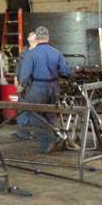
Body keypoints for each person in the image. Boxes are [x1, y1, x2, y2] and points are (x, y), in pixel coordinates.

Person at [18, 25, 71, 153]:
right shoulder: (56, 52)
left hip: (38, 87)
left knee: (34, 114)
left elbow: (24, 75)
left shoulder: (31, 54)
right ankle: (56, 137)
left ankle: (48, 142)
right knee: (51, 113)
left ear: (37, 38)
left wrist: (22, 86)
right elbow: (66, 71)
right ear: (48, 37)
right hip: (54, 87)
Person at [13, 30, 38, 140]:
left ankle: (36, 132)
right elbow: (19, 66)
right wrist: (15, 78)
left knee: (36, 109)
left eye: (32, 35)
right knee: (22, 107)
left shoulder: (40, 51)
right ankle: (22, 133)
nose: (29, 36)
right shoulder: (25, 50)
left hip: (35, 84)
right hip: (23, 84)